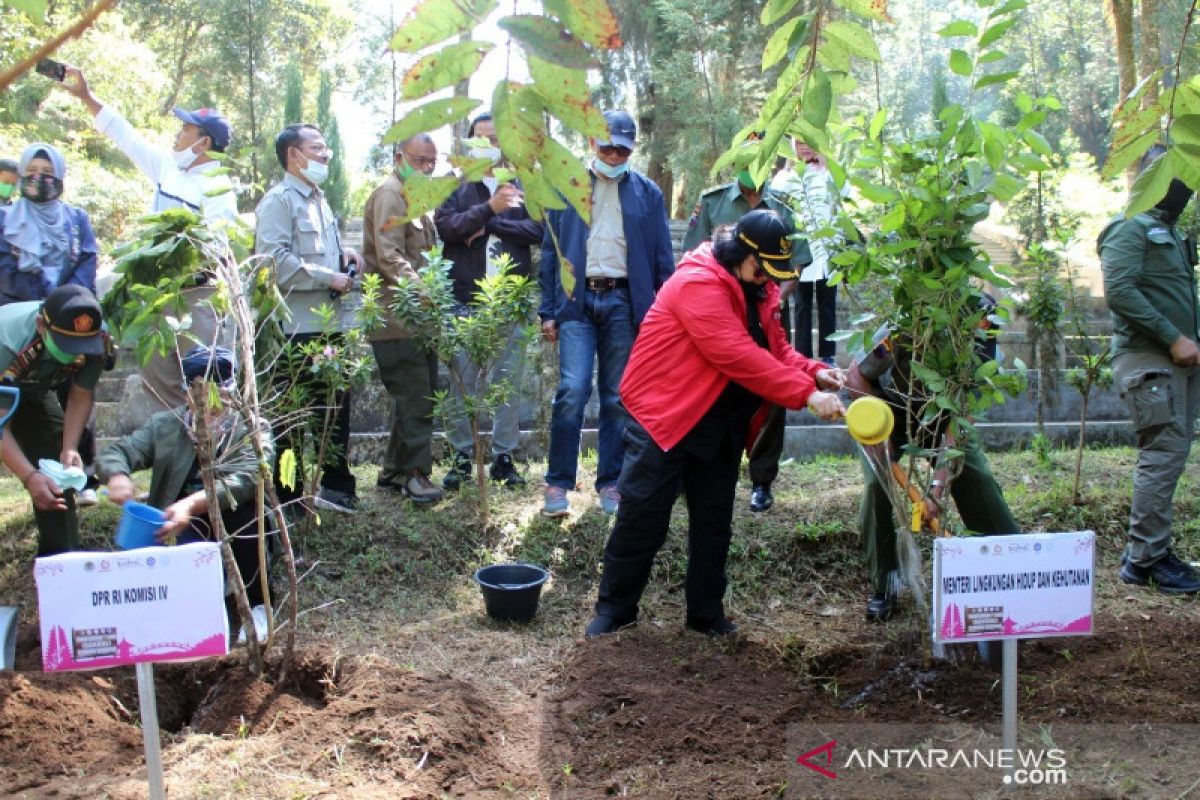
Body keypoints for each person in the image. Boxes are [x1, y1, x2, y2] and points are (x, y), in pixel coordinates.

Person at [585, 211, 845, 638]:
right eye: (761, 269)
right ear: (740, 254)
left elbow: (774, 349)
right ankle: (615, 611)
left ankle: (705, 614)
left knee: (714, 523)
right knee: (642, 518)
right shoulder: (697, 283)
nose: (767, 279)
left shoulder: (758, 288)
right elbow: (736, 354)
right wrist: (807, 396)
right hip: (666, 416)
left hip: (720, 421)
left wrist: (814, 371)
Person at [59, 66, 238, 413]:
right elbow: (124, 135)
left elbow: (214, 248)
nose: (178, 134)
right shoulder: (167, 168)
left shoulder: (219, 189)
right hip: (157, 299)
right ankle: (173, 461)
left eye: (186, 129)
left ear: (204, 143)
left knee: (205, 386)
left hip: (197, 297)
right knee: (159, 386)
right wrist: (86, 96)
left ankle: (210, 460)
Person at [538, 110, 675, 517]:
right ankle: (558, 483)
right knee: (572, 391)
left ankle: (611, 483)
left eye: (622, 149)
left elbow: (663, 259)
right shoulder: (566, 187)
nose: (614, 156)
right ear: (592, 145)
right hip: (577, 302)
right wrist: (548, 310)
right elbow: (551, 252)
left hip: (624, 302)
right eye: (607, 147)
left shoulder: (648, 194)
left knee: (618, 398)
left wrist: (662, 315)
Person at [845, 318, 1020, 621]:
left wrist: (936, 491)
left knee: (976, 480)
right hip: (890, 416)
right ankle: (885, 584)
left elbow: (959, 427)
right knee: (877, 485)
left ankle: (1012, 567)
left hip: (946, 423)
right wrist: (878, 432)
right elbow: (855, 375)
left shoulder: (984, 354)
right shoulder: (902, 328)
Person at [97, 345, 274, 643]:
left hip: (231, 521)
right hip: (182, 524)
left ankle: (256, 605)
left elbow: (246, 478)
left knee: (246, 517)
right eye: (202, 400)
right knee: (186, 573)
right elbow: (121, 451)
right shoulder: (166, 426)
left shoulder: (251, 429)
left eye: (220, 400)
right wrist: (117, 476)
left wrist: (191, 504)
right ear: (186, 395)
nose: (212, 410)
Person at [682, 145, 811, 515]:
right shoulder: (713, 202)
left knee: (772, 387)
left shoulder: (784, 205)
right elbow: (693, 255)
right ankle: (689, 471)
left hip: (765, 308)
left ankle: (762, 479)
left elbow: (794, 265)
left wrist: (773, 294)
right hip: (717, 312)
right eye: (744, 162)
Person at [1100, 145, 1200, 594]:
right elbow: (1119, 290)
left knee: (1172, 454)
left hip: (1178, 361)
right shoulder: (1130, 228)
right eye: (1177, 175)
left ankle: (1151, 550)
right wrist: (1173, 337)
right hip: (1150, 359)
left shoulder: (1171, 233)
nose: (1186, 187)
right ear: (1152, 177)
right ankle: (1145, 560)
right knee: (1162, 454)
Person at [256, 123, 362, 514]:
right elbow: (274, 264)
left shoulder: (319, 199)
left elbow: (315, 253)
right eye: (316, 148)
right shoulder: (278, 201)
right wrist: (327, 276)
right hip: (294, 331)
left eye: (325, 147)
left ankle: (336, 487)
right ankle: (289, 498)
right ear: (293, 155)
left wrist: (344, 258)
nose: (325, 155)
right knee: (291, 418)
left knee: (334, 409)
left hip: (329, 327)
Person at [435, 113, 545, 490]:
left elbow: (539, 230)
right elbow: (447, 227)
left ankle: (503, 456)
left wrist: (491, 224)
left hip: (509, 303)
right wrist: (488, 210)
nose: (489, 147)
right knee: (460, 383)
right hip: (465, 302)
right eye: (481, 140)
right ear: (471, 146)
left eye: (495, 139)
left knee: (507, 383)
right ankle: (462, 456)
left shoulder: (523, 187)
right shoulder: (457, 188)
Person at [0, 143, 101, 505]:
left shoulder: (75, 220)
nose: (39, 179)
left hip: (72, 316)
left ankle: (78, 470)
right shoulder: (5, 220)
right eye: (32, 172)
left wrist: (69, 304)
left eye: (47, 172)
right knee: (19, 403)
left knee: (77, 386)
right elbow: (5, 271)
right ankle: (34, 470)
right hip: (24, 320)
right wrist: (44, 308)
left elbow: (87, 261)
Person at [362, 134, 444, 505]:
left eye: (432, 162)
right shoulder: (390, 195)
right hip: (397, 318)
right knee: (417, 399)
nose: (427, 168)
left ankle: (393, 471)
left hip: (418, 319)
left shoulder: (416, 200)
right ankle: (416, 477)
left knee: (416, 395)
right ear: (399, 157)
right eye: (420, 160)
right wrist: (425, 290)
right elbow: (390, 255)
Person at [0, 285, 109, 556]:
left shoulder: (97, 337)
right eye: (66, 346)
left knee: (54, 465)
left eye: (80, 347)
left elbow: (80, 395)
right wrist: (28, 477)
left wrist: (69, 448)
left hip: (32, 390)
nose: (75, 355)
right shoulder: (6, 342)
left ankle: (61, 564)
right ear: (41, 326)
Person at [774, 139, 844, 364]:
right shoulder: (785, 177)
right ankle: (803, 356)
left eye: (809, 142)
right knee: (802, 305)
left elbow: (844, 198)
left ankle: (828, 355)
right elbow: (775, 211)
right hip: (800, 251)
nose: (805, 147)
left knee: (827, 304)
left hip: (827, 250)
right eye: (800, 143)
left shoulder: (829, 173)